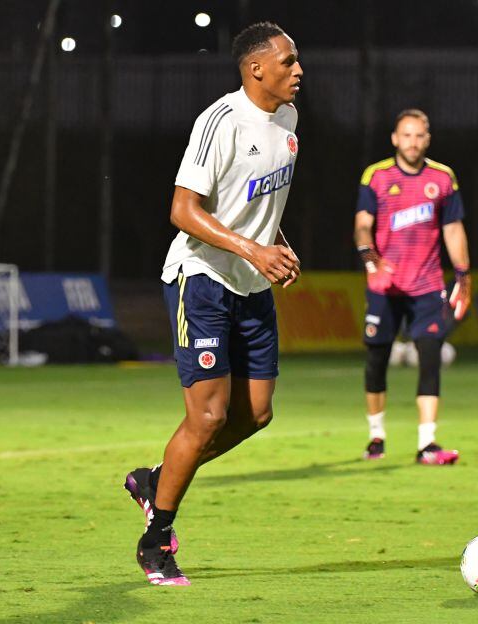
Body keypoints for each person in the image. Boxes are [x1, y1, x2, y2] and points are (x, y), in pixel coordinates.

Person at [122, 22, 303, 586]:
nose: (299, 71)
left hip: (251, 285)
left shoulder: (289, 122)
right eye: (288, 62)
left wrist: (277, 244)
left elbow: (257, 204)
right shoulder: (219, 121)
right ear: (256, 69)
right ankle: (157, 541)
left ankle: (156, 479)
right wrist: (252, 247)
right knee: (207, 417)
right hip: (201, 280)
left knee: (257, 414)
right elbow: (182, 210)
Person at [354, 108, 472, 465]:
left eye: (419, 135)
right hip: (385, 285)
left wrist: (463, 275)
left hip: (427, 285)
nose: (413, 142)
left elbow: (453, 229)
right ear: (395, 138)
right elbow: (362, 224)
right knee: (376, 360)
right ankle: (377, 436)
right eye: (406, 135)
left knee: (431, 358)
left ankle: (427, 444)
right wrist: (370, 257)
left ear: (428, 139)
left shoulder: (443, 178)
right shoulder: (376, 176)